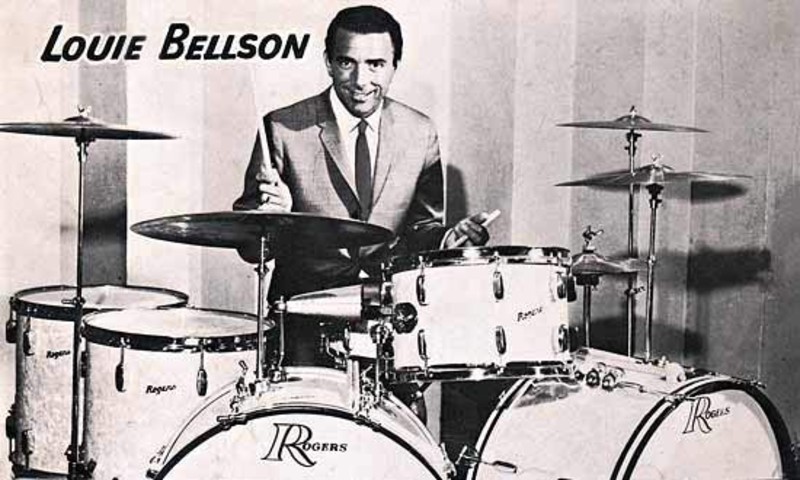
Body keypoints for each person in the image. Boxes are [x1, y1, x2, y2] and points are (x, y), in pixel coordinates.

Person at [234, 5, 490, 365]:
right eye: (347, 63)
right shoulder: (281, 128)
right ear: (328, 62)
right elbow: (249, 247)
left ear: (395, 65)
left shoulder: (420, 132)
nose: (360, 80)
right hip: (302, 322)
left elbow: (422, 228)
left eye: (376, 64)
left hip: (387, 319)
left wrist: (448, 240)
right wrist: (272, 219)